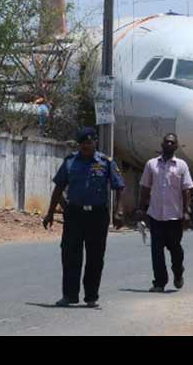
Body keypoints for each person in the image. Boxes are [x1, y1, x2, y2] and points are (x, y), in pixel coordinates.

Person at [43, 127, 125, 308]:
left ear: (95, 142)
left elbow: (119, 186)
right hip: (74, 214)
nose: (86, 146)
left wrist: (118, 211)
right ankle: (69, 295)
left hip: (97, 215)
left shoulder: (105, 162)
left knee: (95, 257)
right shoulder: (70, 162)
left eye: (89, 142)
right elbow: (58, 187)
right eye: (83, 143)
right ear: (79, 144)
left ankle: (91, 296)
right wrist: (50, 212)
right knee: (70, 255)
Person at [139, 133, 193, 293]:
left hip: (174, 216)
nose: (169, 144)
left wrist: (187, 211)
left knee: (175, 248)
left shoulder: (181, 165)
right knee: (156, 250)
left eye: (172, 142)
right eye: (167, 142)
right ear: (162, 144)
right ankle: (159, 282)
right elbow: (145, 187)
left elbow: (186, 190)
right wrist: (141, 209)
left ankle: (178, 272)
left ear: (176, 146)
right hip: (155, 215)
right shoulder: (151, 164)